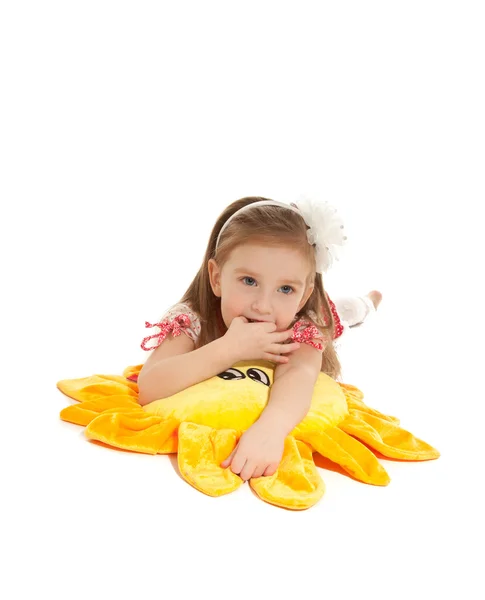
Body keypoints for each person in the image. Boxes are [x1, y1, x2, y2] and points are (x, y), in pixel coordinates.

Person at [136, 196, 382, 482]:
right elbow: (149, 387)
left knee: (342, 311)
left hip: (326, 311)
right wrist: (229, 348)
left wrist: (271, 429)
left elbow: (299, 374)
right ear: (216, 278)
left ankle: (368, 302)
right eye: (249, 281)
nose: (263, 306)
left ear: (303, 294)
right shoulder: (194, 317)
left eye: (286, 289)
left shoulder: (302, 326)